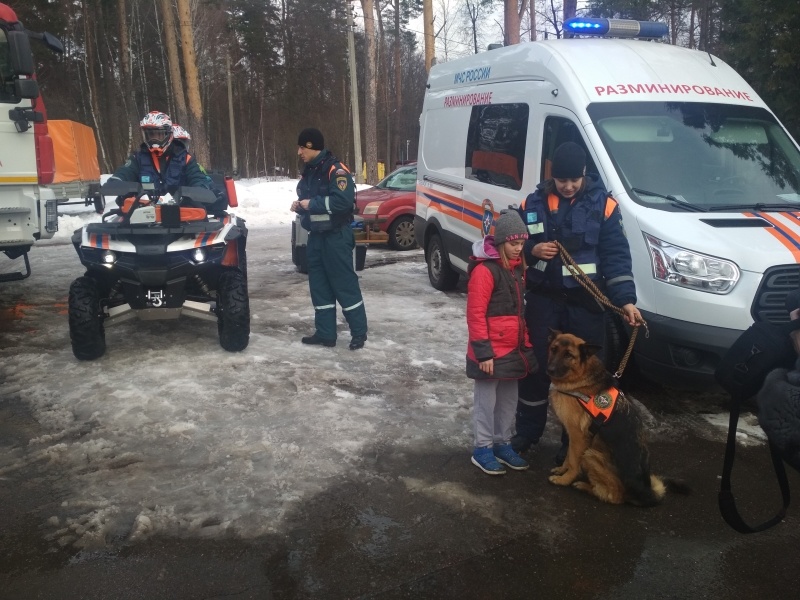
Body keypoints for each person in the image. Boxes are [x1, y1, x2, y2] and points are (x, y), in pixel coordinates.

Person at [511, 141, 642, 456]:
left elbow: (616, 257)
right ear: (552, 176)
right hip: (543, 303)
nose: (568, 187)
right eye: (561, 181)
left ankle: (574, 444)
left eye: (574, 180)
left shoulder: (605, 205)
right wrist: (532, 249)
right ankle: (527, 434)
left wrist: (625, 300)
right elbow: (512, 241)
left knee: (585, 378)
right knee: (536, 370)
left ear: (584, 174)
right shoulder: (532, 202)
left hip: (585, 306)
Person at [467, 211, 538, 475]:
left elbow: (519, 312)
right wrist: (482, 352)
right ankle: (483, 447)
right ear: (500, 242)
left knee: (509, 399)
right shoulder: (485, 271)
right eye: (513, 243)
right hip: (489, 352)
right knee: (487, 401)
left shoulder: (518, 269)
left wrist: (525, 345)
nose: (519, 248)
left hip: (512, 349)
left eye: (522, 243)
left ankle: (503, 442)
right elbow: (475, 314)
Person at [291, 127, 367, 350]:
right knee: (319, 286)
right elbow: (305, 195)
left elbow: (342, 202)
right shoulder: (310, 171)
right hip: (316, 237)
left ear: (312, 147)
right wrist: (300, 205)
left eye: (302, 148)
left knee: (344, 285)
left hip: (336, 237)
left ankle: (359, 334)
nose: (299, 152)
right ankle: (326, 334)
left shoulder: (336, 171)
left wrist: (311, 204)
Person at [109, 111, 214, 202]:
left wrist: (198, 190)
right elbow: (126, 171)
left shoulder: (185, 158)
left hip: (181, 212)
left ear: (168, 134)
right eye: (150, 135)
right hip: (144, 213)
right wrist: (116, 181)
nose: (154, 140)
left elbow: (197, 177)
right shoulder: (138, 158)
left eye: (158, 135)